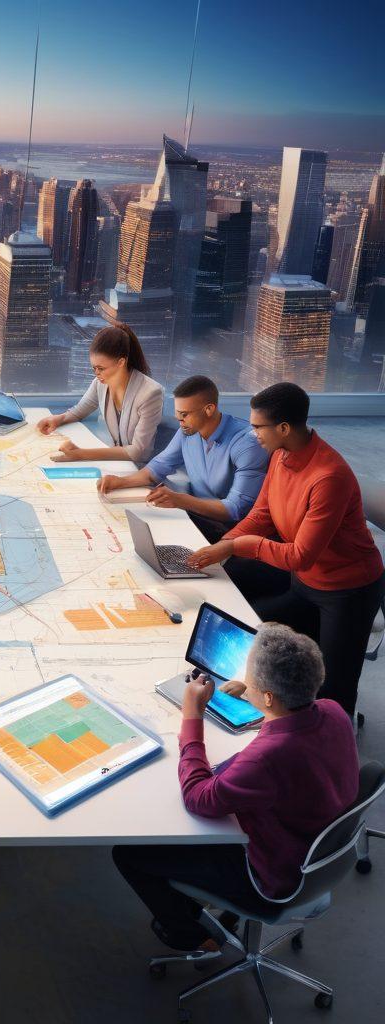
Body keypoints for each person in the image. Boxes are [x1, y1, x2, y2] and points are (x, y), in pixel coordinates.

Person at [113, 624, 358, 953]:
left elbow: (198, 797)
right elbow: (291, 728)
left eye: (253, 679)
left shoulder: (266, 760)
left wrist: (192, 714)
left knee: (128, 854)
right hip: (315, 853)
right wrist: (259, 700)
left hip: (272, 877)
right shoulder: (333, 711)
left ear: (270, 695)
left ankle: (191, 936)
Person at [188, 382, 385, 718]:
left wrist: (238, 545)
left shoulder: (328, 476)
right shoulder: (280, 455)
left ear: (283, 428)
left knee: (335, 689)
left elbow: (299, 555)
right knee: (254, 636)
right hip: (305, 583)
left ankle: (335, 754)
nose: (252, 435)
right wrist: (223, 547)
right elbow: (262, 515)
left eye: (257, 427)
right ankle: (277, 720)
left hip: (346, 591)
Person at [98, 375, 268, 541]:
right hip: (197, 517)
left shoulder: (248, 444)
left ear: (209, 409)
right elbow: (157, 468)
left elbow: (235, 509)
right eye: (177, 414)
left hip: (231, 531)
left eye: (184, 414)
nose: (179, 420)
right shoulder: (187, 430)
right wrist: (121, 482)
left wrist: (180, 500)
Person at [36, 322, 164, 463]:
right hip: (114, 461)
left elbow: (139, 452)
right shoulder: (100, 383)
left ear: (121, 362)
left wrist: (81, 454)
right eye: (94, 368)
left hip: (139, 467)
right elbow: (79, 411)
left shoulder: (151, 393)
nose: (97, 373)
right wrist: (57, 419)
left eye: (101, 368)